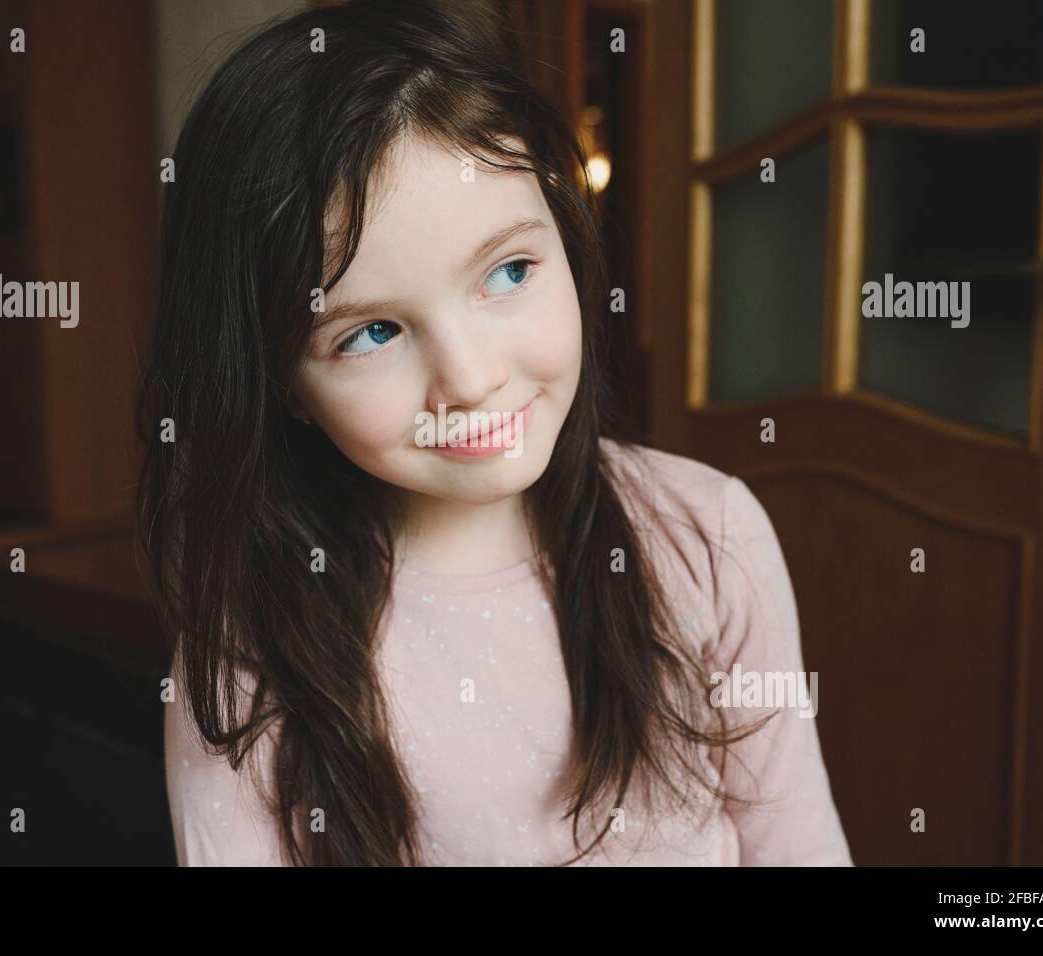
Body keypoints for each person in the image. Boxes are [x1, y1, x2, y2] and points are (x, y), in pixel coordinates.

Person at [137, 0, 853, 866]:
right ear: (283, 383)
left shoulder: (709, 538)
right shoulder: (247, 661)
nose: (471, 378)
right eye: (371, 333)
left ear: (569, 236)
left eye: (509, 271)